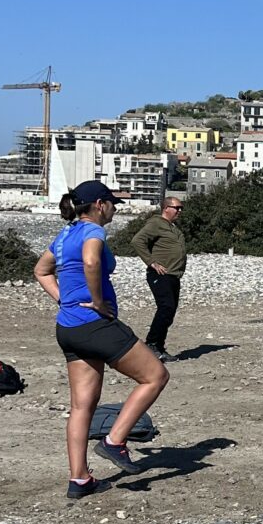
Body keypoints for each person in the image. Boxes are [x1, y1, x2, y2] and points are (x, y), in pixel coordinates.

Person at [32, 181, 171, 498]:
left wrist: (64, 300)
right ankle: (114, 441)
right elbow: (93, 261)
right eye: (112, 204)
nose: (113, 210)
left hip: (68, 328)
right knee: (155, 376)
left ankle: (79, 479)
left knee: (82, 406)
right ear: (99, 204)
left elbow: (41, 270)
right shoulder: (92, 231)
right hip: (95, 324)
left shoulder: (65, 234)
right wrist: (96, 300)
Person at [131, 196, 187, 362]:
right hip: (160, 274)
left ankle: (159, 347)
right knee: (166, 307)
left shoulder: (172, 227)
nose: (180, 211)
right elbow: (137, 241)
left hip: (173, 275)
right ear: (166, 208)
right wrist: (152, 262)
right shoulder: (156, 223)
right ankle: (151, 345)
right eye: (177, 207)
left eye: (181, 208)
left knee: (170, 311)